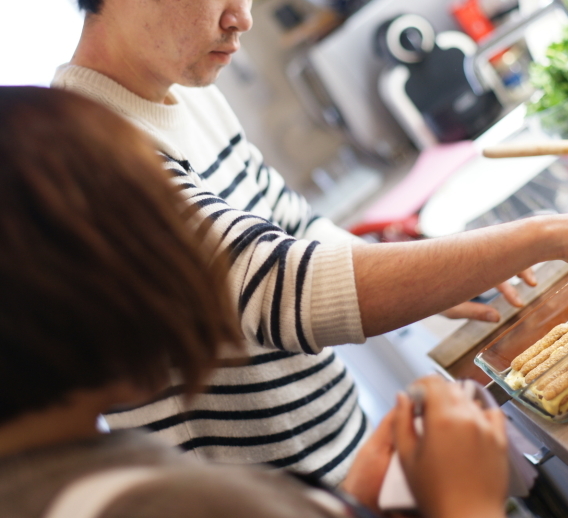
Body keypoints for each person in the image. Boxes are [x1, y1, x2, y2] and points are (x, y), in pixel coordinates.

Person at [54, 0, 568, 484]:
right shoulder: (83, 151)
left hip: (345, 461)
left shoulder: (182, 90)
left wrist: (432, 279)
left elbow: (294, 223)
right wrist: (545, 236)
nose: (242, 17)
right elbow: (287, 289)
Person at [0, 85, 509, 518]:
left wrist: (348, 502)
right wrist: (466, 498)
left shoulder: (61, 471)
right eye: (156, 248)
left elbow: (298, 226)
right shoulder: (143, 500)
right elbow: (283, 287)